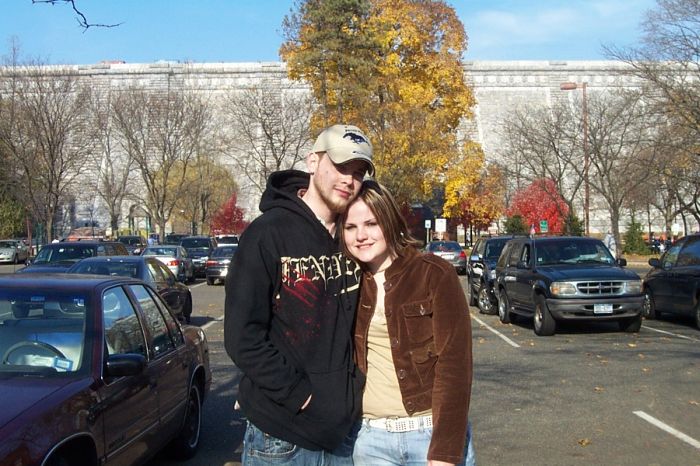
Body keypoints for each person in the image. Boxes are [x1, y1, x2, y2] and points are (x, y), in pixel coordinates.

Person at [224, 124, 375, 465]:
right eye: (341, 166)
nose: (349, 180)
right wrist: (300, 395)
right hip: (280, 437)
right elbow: (242, 336)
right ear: (313, 162)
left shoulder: (355, 237)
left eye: (357, 173)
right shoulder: (267, 234)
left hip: (344, 435)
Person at [340, 181, 475, 466]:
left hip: (428, 435)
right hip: (369, 440)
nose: (361, 236)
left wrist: (445, 451)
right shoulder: (346, 282)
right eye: (350, 227)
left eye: (371, 224)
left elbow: (455, 365)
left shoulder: (434, 274)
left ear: (389, 222)